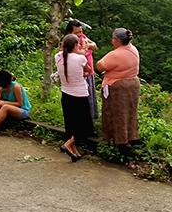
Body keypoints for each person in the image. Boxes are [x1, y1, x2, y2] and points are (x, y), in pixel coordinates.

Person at [96, 28, 140, 152]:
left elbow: (100, 66)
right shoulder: (133, 49)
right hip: (133, 84)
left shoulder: (115, 54)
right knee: (130, 112)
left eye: (113, 39)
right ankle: (132, 136)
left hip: (118, 86)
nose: (112, 41)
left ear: (117, 40)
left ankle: (120, 141)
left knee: (117, 113)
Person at [55, 34, 93, 162]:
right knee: (84, 125)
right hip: (80, 95)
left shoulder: (58, 57)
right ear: (76, 45)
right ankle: (68, 144)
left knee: (70, 124)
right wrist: (86, 49)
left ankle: (74, 151)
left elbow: (67, 55)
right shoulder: (80, 59)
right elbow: (89, 70)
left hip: (66, 93)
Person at [65, 20, 98, 121]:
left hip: (89, 71)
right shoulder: (68, 42)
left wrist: (89, 45)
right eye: (77, 33)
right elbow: (78, 55)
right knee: (82, 100)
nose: (80, 34)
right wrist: (85, 47)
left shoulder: (82, 37)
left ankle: (92, 119)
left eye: (80, 31)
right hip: (79, 75)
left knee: (91, 97)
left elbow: (95, 46)